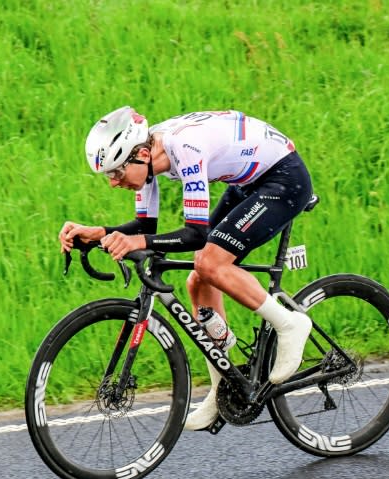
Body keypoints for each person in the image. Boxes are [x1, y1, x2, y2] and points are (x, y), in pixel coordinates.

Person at [59, 106, 314, 431]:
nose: (113, 183)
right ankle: (224, 384)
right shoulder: (150, 160)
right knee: (198, 282)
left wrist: (137, 243)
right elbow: (143, 226)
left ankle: (290, 324)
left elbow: (195, 235)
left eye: (117, 173)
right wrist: (100, 234)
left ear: (139, 154)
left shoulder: (185, 148)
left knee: (208, 261)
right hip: (247, 182)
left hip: (282, 179)